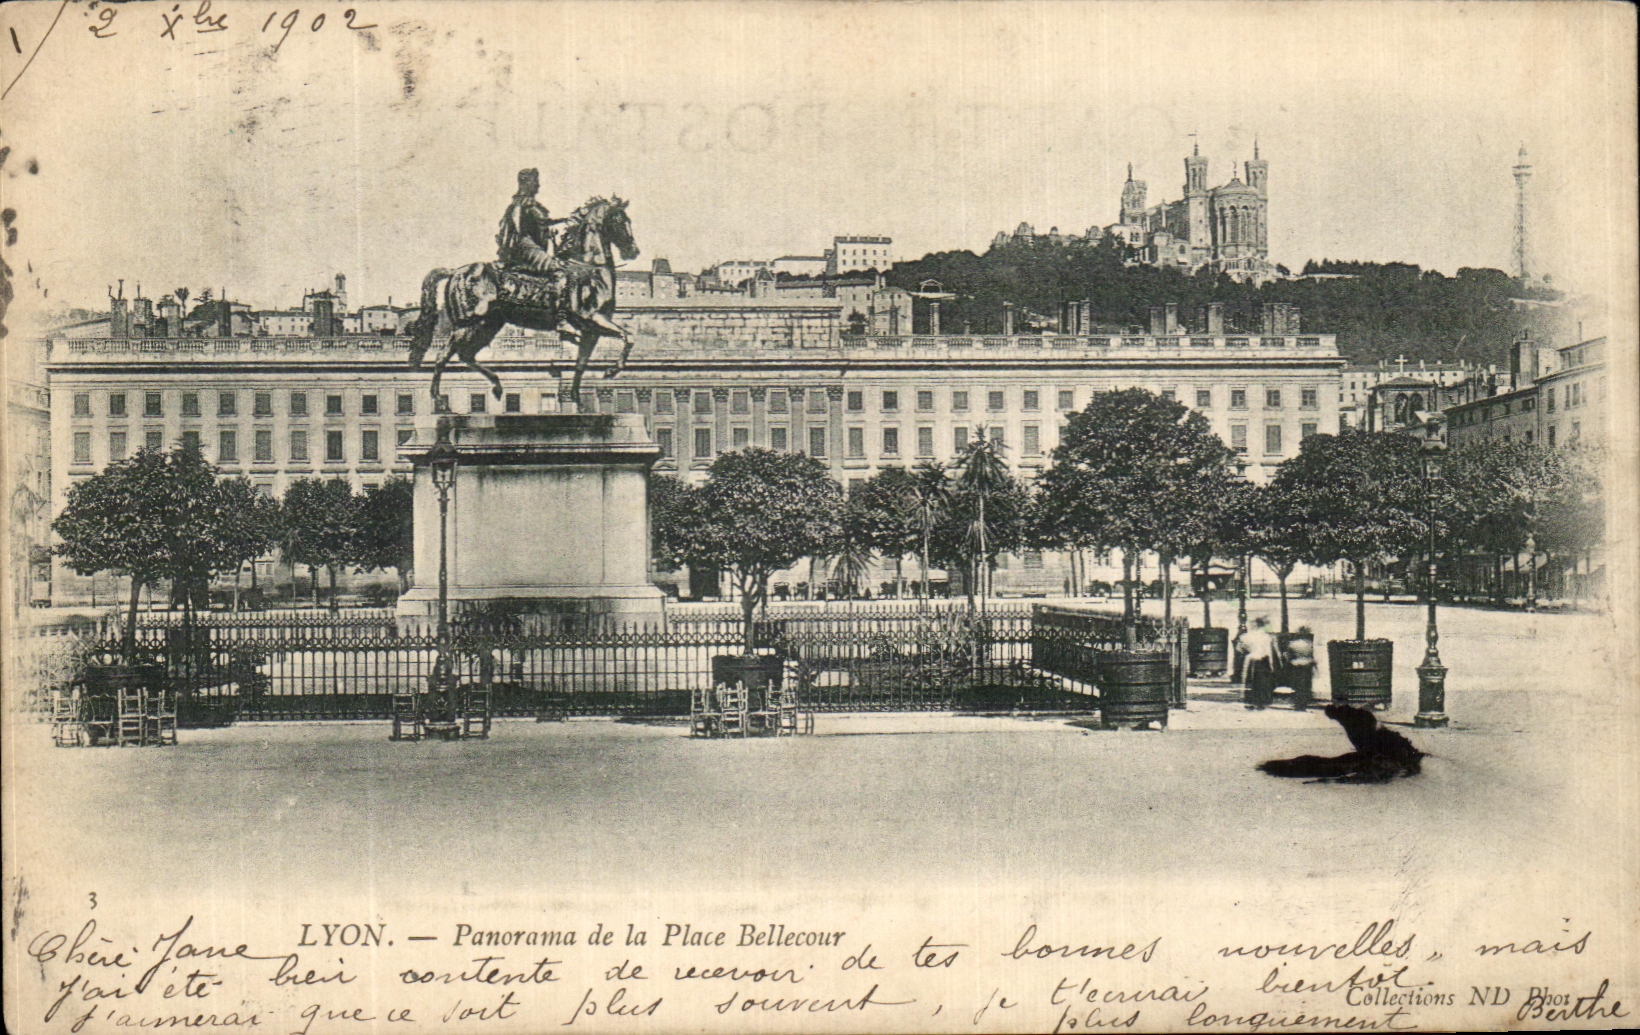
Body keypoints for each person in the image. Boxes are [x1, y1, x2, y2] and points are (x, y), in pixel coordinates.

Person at [496, 168, 571, 275]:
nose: (538, 185)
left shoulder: (532, 205)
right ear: (526, 183)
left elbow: (545, 222)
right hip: (526, 247)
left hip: (534, 246)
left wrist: (565, 220)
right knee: (555, 268)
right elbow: (517, 228)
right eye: (535, 181)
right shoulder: (520, 204)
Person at [1238, 615, 1277, 709]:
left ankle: (1249, 701)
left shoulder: (1246, 636)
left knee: (1249, 680)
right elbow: (1269, 652)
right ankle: (1261, 702)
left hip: (1251, 658)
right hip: (1264, 660)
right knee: (1262, 681)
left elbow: (1239, 648)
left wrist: (1246, 651)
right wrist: (1271, 665)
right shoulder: (1266, 637)